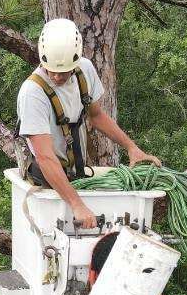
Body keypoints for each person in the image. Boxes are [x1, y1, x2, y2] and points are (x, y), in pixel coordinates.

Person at [17, 18, 160, 228]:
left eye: (64, 71)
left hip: (77, 173)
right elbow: (46, 157)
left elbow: (97, 116)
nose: (57, 76)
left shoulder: (84, 71)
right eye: (51, 70)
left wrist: (132, 148)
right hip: (49, 178)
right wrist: (76, 204)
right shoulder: (33, 93)